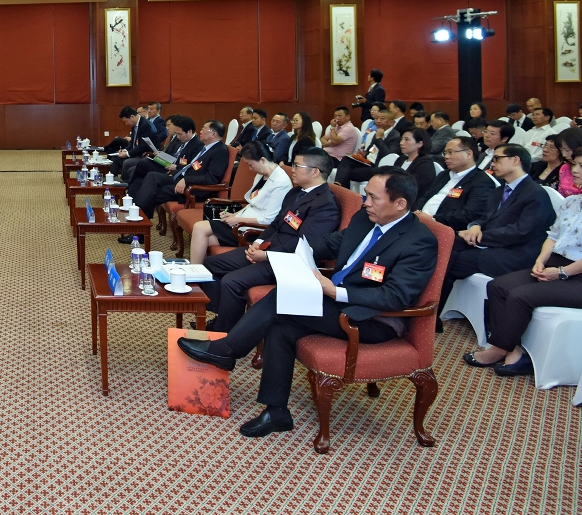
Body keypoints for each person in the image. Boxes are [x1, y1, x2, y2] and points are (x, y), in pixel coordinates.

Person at [178, 170, 436, 439]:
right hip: (334, 300)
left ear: (400, 204)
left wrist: (335, 291)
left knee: (281, 301)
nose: (365, 202)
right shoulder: (365, 219)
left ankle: (226, 349)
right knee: (281, 327)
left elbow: (396, 297)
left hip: (371, 319)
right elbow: (330, 243)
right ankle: (276, 411)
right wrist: (286, 252)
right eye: (365, 196)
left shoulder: (418, 241)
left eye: (373, 197)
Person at [200, 149, 341, 333]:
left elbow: (304, 245)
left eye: (297, 166)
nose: (292, 170)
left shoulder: (325, 204)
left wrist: (266, 255)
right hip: (268, 248)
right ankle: (224, 317)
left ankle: (224, 333)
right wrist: (258, 242)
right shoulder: (296, 192)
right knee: (211, 264)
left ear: (315, 171)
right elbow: (275, 224)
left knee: (231, 281)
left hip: (287, 262)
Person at [463, 194, 582, 376]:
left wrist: (561, 272)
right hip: (555, 263)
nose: (575, 170)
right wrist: (541, 261)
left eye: (580, 166)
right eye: (576, 164)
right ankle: (512, 351)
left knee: (520, 296)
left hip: (577, 275)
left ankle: (499, 349)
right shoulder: (571, 201)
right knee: (498, 286)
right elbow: (553, 236)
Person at [438, 144, 557, 313]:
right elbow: (485, 218)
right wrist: (475, 227)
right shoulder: (499, 190)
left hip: (515, 253)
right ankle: (430, 312)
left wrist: (480, 237)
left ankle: (431, 312)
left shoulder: (536, 194)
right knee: (445, 246)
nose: (492, 164)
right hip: (492, 245)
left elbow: (521, 232)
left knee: (454, 260)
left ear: (515, 160)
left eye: (497, 159)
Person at [188, 141, 293, 264]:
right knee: (204, 238)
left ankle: (194, 272)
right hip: (243, 221)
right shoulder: (262, 174)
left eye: (250, 165)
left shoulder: (280, 182)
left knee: (199, 227)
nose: (250, 169)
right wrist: (235, 215)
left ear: (263, 160)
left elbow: (269, 219)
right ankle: (198, 274)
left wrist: (238, 220)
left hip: (254, 229)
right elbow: (253, 203)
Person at [133, 120, 230, 219]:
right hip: (182, 177)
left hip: (194, 188)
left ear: (213, 133)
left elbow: (211, 178)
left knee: (152, 192)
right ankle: (137, 217)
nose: (200, 131)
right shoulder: (206, 148)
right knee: (152, 176)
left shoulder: (220, 151)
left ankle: (137, 221)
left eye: (203, 129)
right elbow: (195, 166)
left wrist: (187, 180)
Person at [415, 136, 498, 247]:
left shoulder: (482, 181)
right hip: (420, 222)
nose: (446, 157)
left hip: (444, 229)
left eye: (451, 152)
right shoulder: (444, 175)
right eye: (445, 153)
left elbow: (469, 214)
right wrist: (417, 212)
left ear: (469, 154)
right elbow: (425, 197)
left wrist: (433, 219)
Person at [124, 114, 199, 196]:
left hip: (173, 170)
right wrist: (161, 156)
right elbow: (174, 156)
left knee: (144, 163)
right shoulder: (180, 140)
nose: (167, 128)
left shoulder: (195, 144)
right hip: (168, 163)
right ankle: (131, 200)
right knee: (138, 179)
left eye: (169, 125)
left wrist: (176, 166)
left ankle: (128, 185)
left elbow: (191, 165)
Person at [390, 128, 436, 204]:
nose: (401, 143)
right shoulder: (401, 159)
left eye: (406, 140)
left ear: (420, 144)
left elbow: (413, 187)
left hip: (410, 202)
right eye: (402, 139)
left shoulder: (425, 163)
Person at [109, 106, 157, 178]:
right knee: (116, 158)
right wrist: (125, 150)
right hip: (136, 153)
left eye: (126, 121)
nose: (126, 124)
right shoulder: (135, 125)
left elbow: (143, 146)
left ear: (132, 117)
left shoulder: (146, 125)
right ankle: (112, 180)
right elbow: (132, 143)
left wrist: (127, 154)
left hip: (145, 155)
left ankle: (125, 184)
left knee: (127, 162)